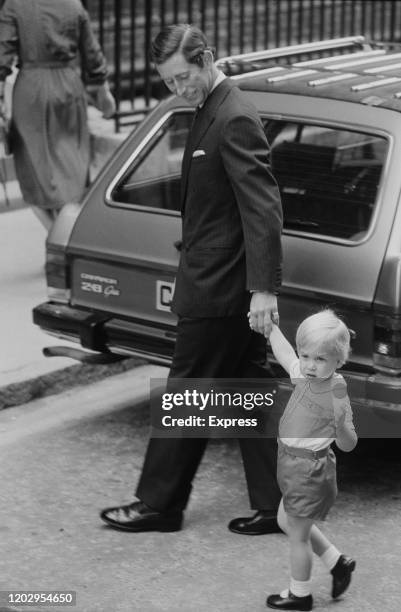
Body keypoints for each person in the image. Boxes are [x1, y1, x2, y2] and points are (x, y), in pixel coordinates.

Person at [100, 23, 283, 535]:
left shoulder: (234, 116)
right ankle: (277, 505)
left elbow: (263, 210)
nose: (178, 90)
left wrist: (263, 289)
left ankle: (159, 504)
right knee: (248, 391)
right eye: (168, 83)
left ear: (207, 58)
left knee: (189, 392)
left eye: (183, 77)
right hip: (218, 277)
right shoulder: (209, 107)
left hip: (220, 287)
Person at [265, 309, 358, 611]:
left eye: (320, 359)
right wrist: (271, 330)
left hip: (309, 471)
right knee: (285, 521)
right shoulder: (304, 374)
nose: (309, 365)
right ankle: (337, 562)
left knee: (298, 537)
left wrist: (341, 425)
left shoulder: (335, 395)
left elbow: (348, 444)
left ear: (337, 361)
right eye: (306, 356)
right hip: (291, 465)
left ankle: (300, 595)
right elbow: (284, 354)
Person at [0, 0, 115, 231]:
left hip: (31, 91)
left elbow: (2, 54)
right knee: (71, 167)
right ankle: (68, 237)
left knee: (34, 170)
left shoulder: (15, 5)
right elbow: (92, 53)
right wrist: (103, 90)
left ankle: (57, 238)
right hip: (69, 86)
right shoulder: (73, 5)